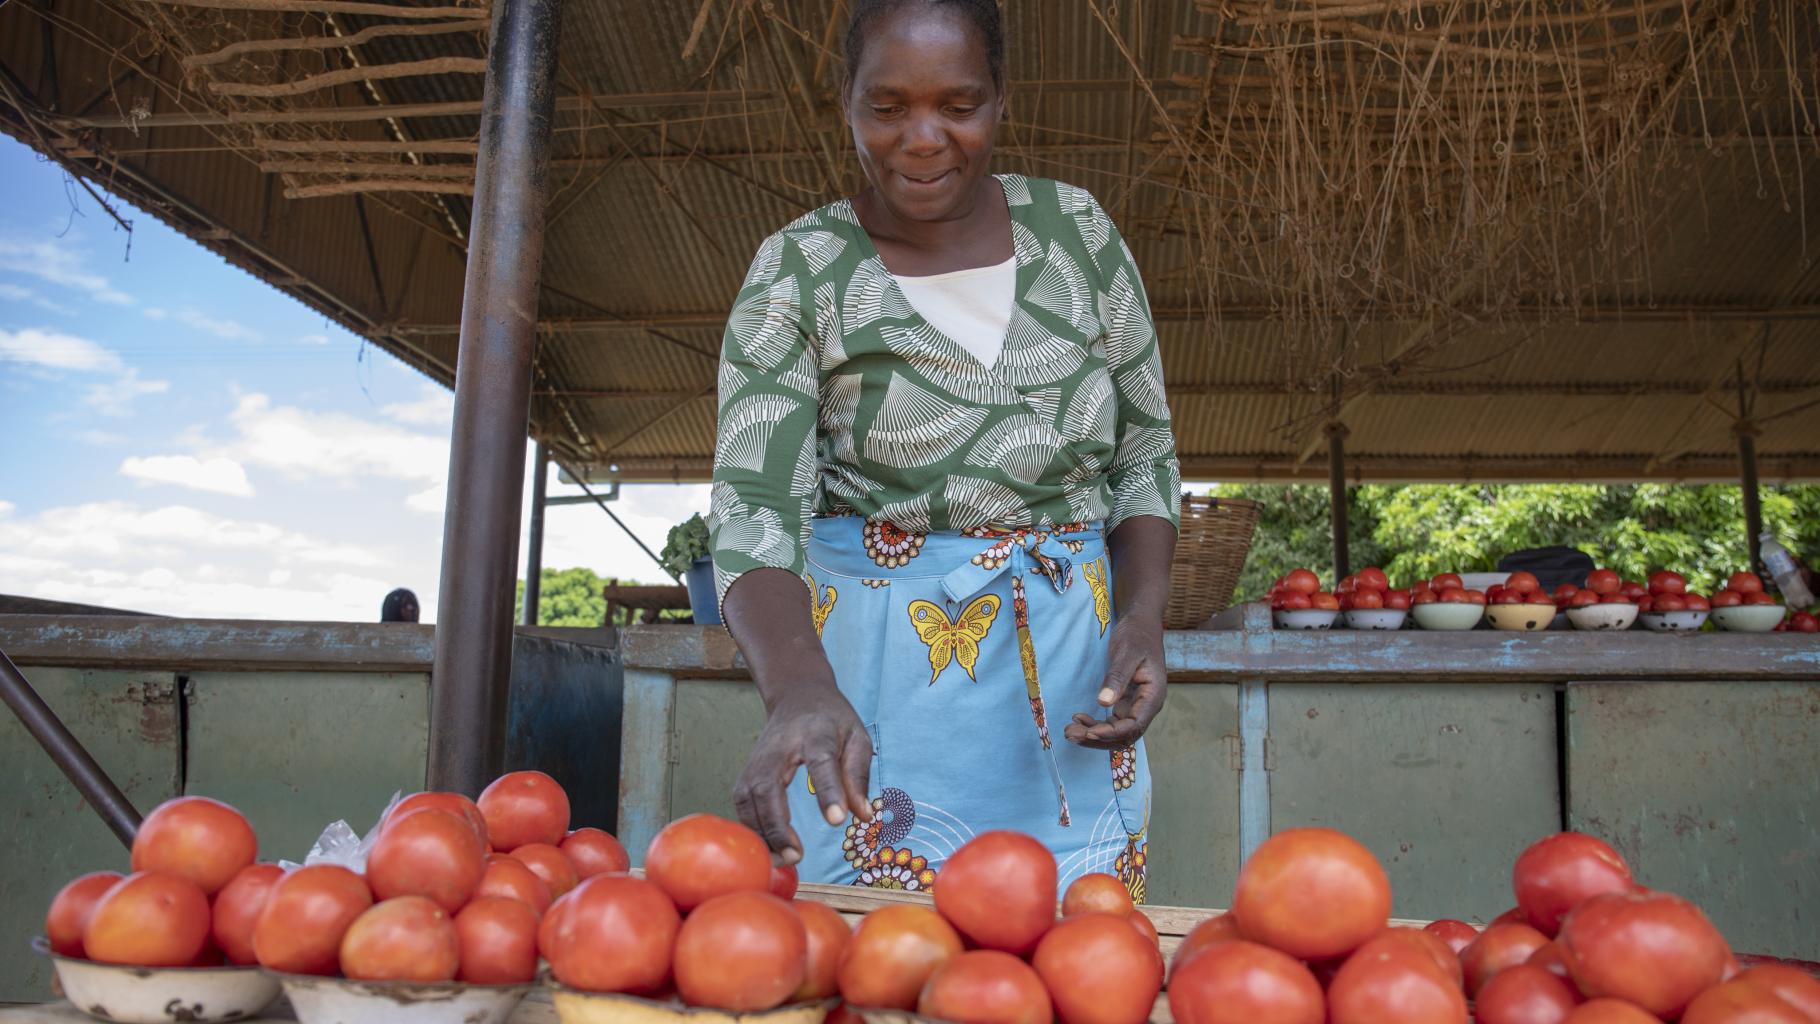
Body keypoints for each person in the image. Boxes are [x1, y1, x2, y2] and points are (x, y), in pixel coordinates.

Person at [708, 0, 1181, 897]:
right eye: (887, 109)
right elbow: (754, 507)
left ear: (1000, 100)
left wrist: (1141, 620)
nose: (923, 139)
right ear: (847, 104)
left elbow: (1145, 456)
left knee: (1070, 953)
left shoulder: (1080, 236)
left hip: (1075, 675)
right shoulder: (801, 268)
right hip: (869, 683)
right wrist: (799, 690)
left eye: (957, 105)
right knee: (870, 950)